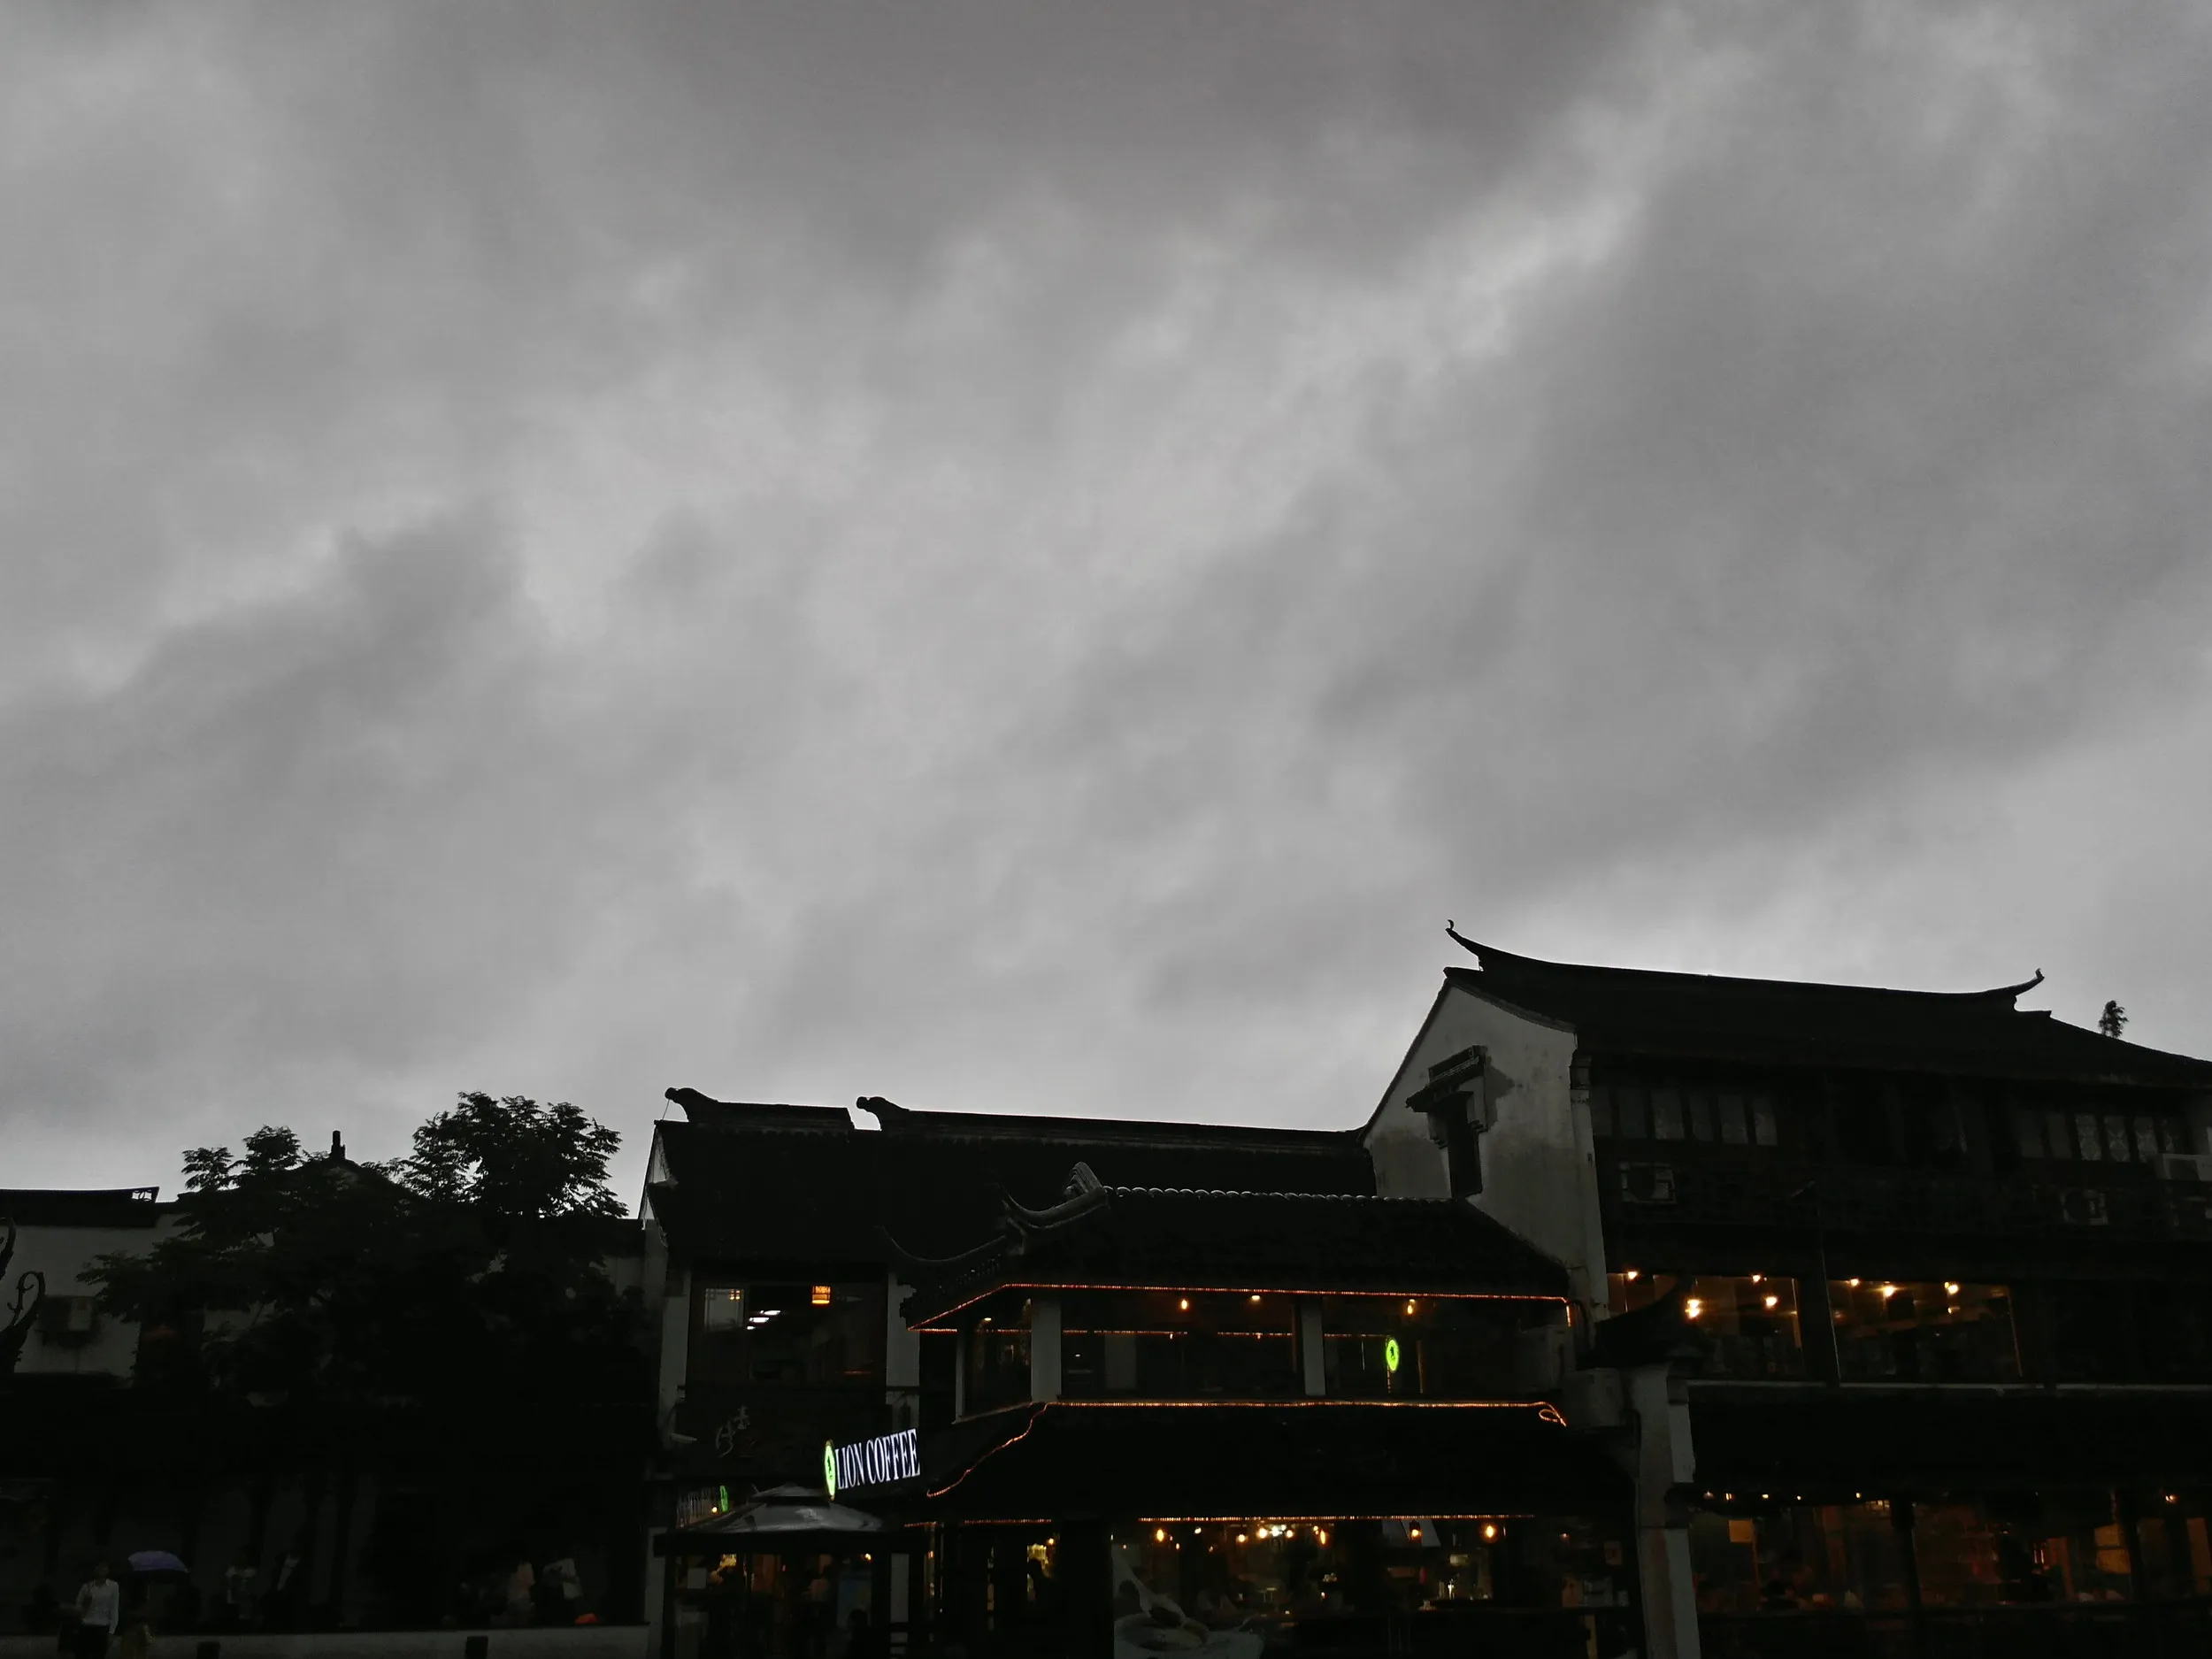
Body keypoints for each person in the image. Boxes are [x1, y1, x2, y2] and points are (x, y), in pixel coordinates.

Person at [73, 1563, 119, 1659]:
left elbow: (114, 1608)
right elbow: (78, 1606)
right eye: (99, 1567)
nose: (102, 1570)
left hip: (102, 1627)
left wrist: (112, 1631)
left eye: (105, 1567)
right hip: (86, 1625)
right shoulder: (87, 1586)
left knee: (98, 1655)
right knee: (81, 1655)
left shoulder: (113, 1586)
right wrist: (86, 1605)